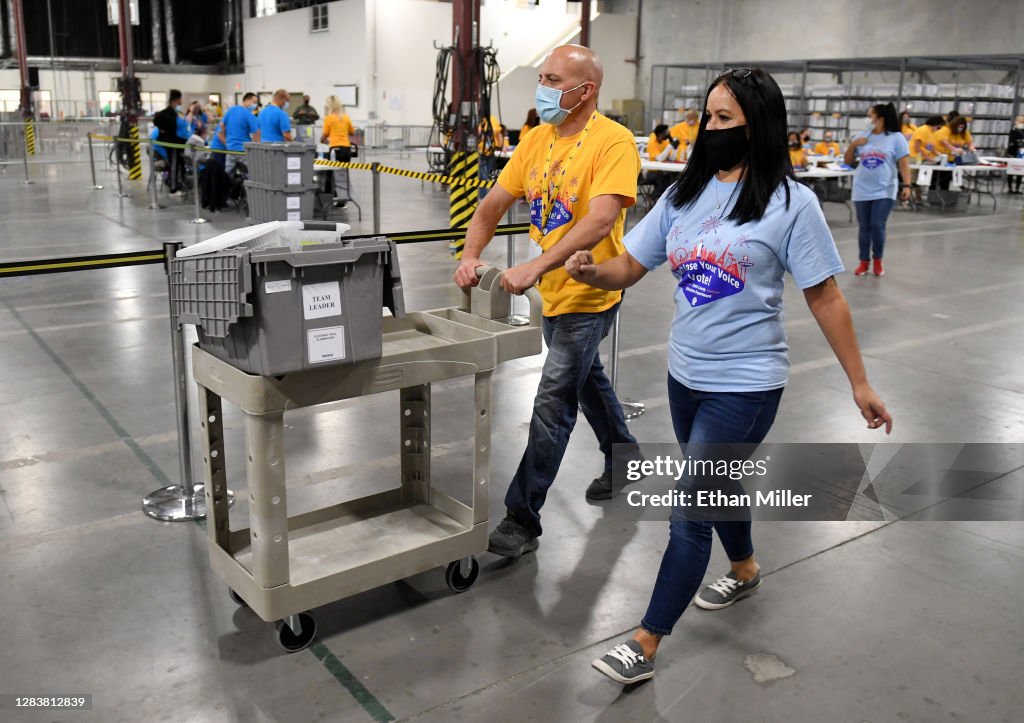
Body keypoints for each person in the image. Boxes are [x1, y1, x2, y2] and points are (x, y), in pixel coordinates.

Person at [573, 66, 892, 686]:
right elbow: (631, 266)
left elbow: (825, 297)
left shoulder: (790, 204)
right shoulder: (683, 196)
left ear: (757, 125)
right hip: (684, 373)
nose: (709, 129)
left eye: (725, 119)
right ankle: (744, 568)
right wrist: (592, 272)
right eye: (707, 117)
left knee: (691, 507)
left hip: (746, 383)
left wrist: (859, 382)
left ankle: (644, 641)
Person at [453, 44, 641, 557]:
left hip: (591, 289)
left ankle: (522, 518)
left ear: (587, 90)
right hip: (552, 296)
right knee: (587, 382)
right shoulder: (536, 139)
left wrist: (533, 266)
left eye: (554, 79)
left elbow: (601, 219)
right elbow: (493, 203)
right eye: (542, 77)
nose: (544, 87)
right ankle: (626, 455)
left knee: (553, 401)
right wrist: (470, 255)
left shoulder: (614, 143)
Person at [845, 103, 911, 277]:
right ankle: (863, 262)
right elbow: (848, 160)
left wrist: (907, 185)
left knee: (877, 225)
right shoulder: (862, 136)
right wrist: (853, 145)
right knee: (864, 227)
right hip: (861, 189)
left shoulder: (896, 138)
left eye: (870, 115)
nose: (868, 119)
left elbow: (904, 163)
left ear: (880, 119)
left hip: (885, 190)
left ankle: (878, 261)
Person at [320, 95, 356, 207]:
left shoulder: (329, 118)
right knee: (343, 174)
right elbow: (352, 132)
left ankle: (329, 198)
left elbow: (325, 134)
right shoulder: (345, 117)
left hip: (335, 149)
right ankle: (343, 198)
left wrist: (321, 141)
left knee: (330, 174)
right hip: (346, 149)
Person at [219, 92, 260, 175]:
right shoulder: (248, 114)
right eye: (254, 102)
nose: (255, 105)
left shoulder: (231, 110)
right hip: (243, 151)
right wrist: (257, 147)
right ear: (247, 100)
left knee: (228, 176)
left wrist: (226, 141)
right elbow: (257, 132)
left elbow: (221, 125)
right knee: (249, 174)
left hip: (230, 149)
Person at [152, 89, 185, 193]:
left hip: (173, 142)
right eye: (180, 98)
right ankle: (173, 187)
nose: (181, 100)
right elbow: (157, 120)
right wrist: (163, 130)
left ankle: (175, 182)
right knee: (174, 163)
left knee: (179, 162)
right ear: (176, 99)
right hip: (171, 143)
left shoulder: (174, 112)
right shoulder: (168, 113)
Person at [645, 123, 685, 198]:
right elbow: (659, 158)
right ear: (660, 133)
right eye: (666, 132)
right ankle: (657, 196)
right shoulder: (652, 143)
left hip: (664, 171)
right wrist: (670, 146)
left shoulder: (664, 142)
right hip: (653, 172)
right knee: (663, 177)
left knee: (676, 175)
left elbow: (672, 158)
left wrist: (675, 148)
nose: (668, 134)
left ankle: (673, 196)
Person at [477, 113, 505, 200]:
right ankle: (483, 197)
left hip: (491, 152)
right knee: (483, 176)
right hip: (481, 152)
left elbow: (499, 133)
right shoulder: (479, 121)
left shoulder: (492, 119)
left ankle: (489, 196)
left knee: (489, 175)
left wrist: (501, 146)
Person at [1007, 114, 1024, 194]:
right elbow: (1012, 141)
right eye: (1019, 120)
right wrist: (1019, 142)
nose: (1020, 122)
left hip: (1021, 153)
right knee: (1011, 170)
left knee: (1020, 171)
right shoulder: (1013, 130)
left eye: (1022, 121)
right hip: (1012, 152)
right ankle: (1010, 188)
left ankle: (1017, 188)